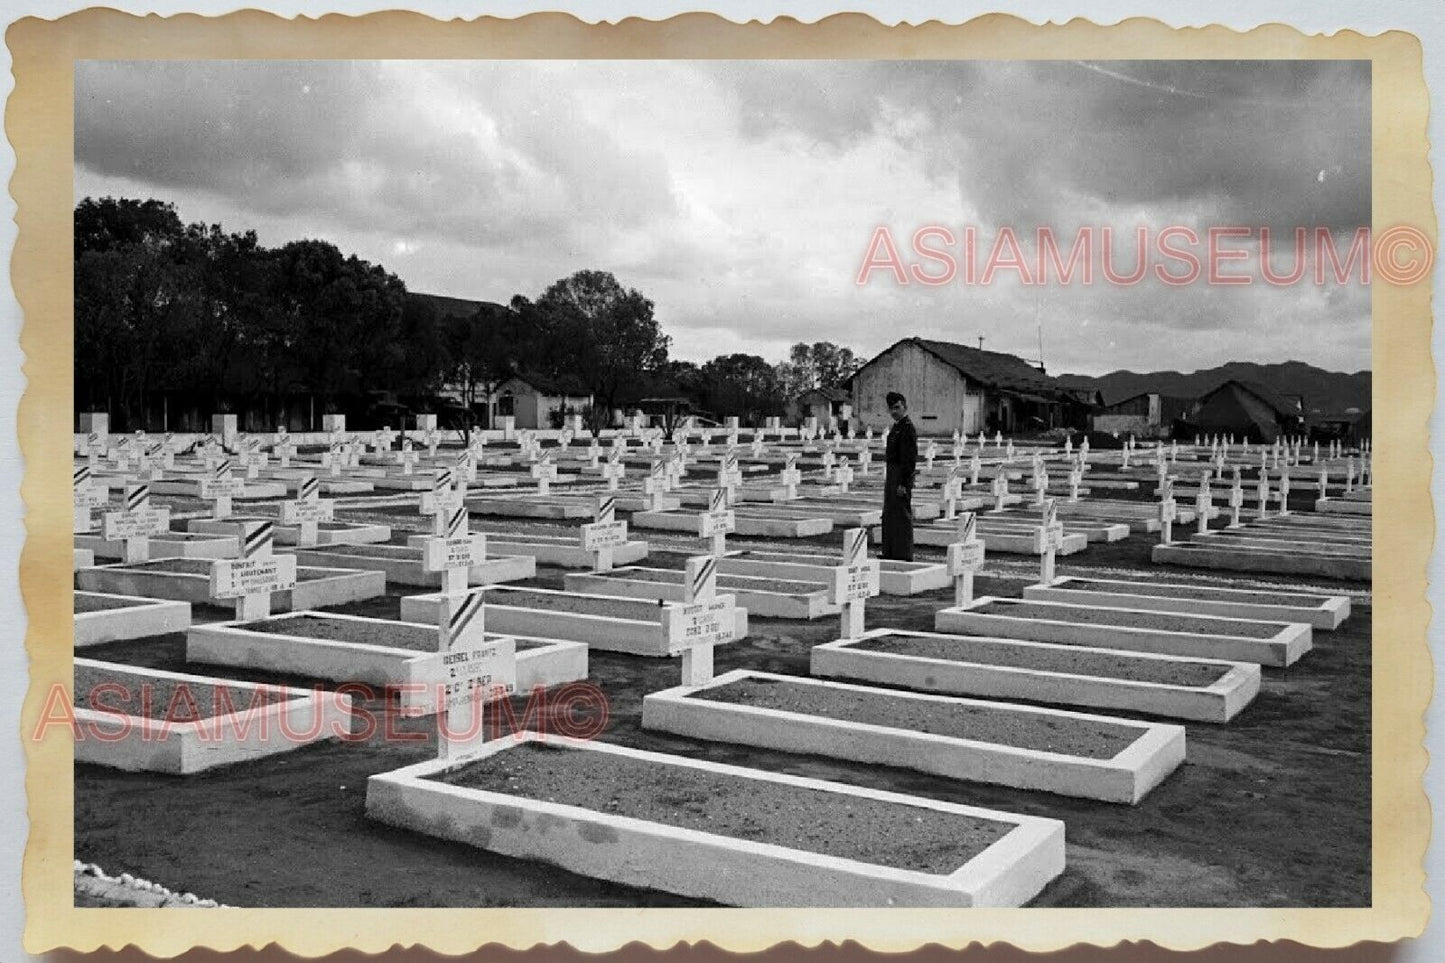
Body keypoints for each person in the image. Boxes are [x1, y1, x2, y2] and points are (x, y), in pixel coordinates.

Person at [881, 391, 918, 561]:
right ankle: (890, 552)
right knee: (889, 513)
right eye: (891, 409)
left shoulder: (907, 428)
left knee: (901, 514)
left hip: (901, 476)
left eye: (897, 407)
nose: (894, 412)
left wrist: (903, 483)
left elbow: (909, 459)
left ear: (905, 407)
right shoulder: (897, 427)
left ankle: (903, 554)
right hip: (892, 474)